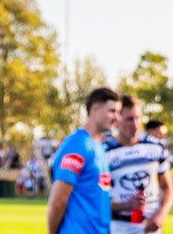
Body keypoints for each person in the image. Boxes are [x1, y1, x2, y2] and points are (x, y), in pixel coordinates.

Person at [48, 87, 121, 234]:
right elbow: (58, 201)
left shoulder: (99, 147)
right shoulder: (77, 145)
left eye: (118, 112)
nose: (117, 118)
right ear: (94, 110)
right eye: (112, 111)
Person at [105, 95, 173, 234]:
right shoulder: (105, 152)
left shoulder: (155, 147)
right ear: (117, 120)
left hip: (151, 228)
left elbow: (168, 188)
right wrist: (125, 205)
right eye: (129, 119)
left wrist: (160, 215)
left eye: (137, 118)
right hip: (119, 228)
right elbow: (96, 201)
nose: (135, 124)